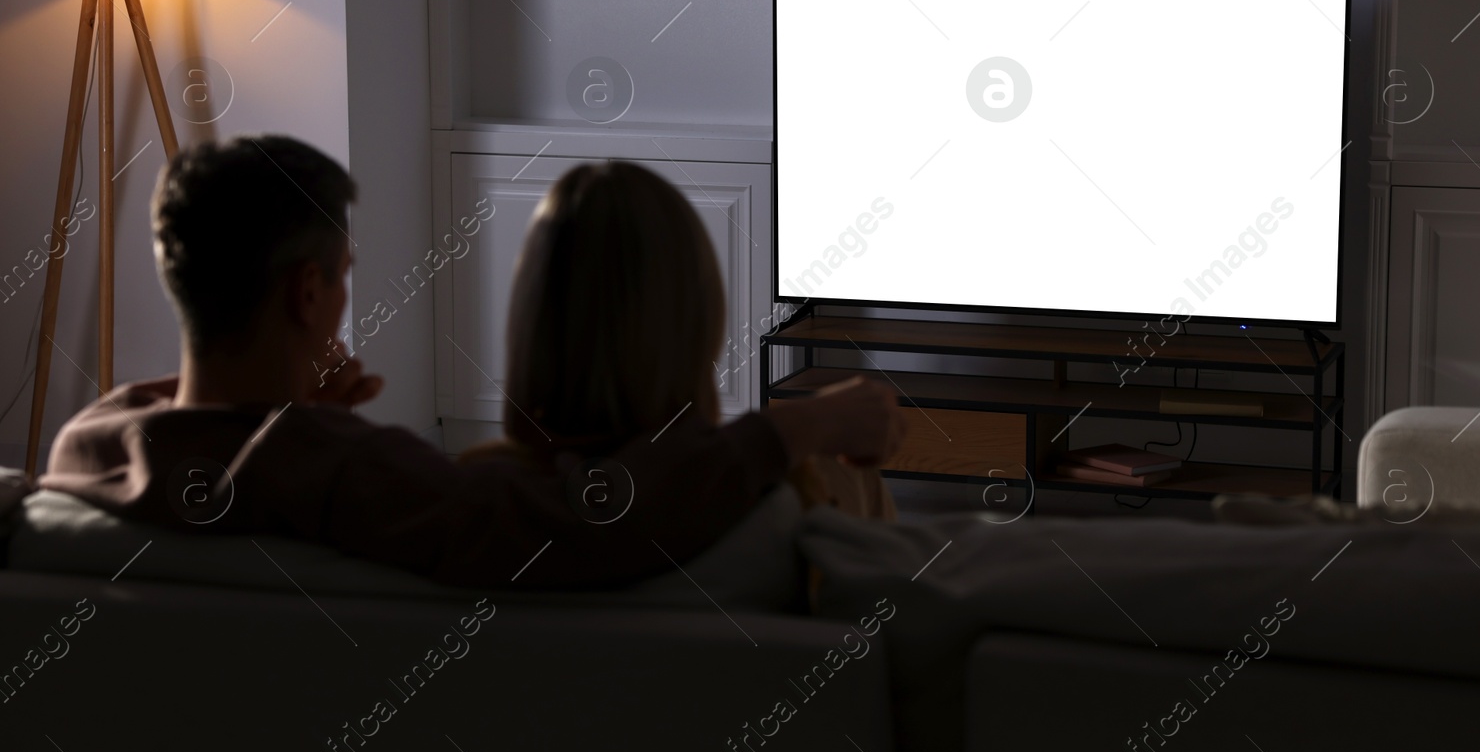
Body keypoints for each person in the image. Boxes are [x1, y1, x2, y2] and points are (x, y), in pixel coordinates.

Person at [39, 136, 903, 589]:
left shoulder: (92, 444)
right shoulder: (366, 474)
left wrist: (294, 413)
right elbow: (589, 516)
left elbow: (240, 459)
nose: (344, 297)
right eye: (341, 277)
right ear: (308, 294)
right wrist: (797, 423)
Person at [460, 159, 899, 520]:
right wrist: (795, 430)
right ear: (700, 317)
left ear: (530, 319)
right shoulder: (797, 493)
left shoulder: (465, 500)